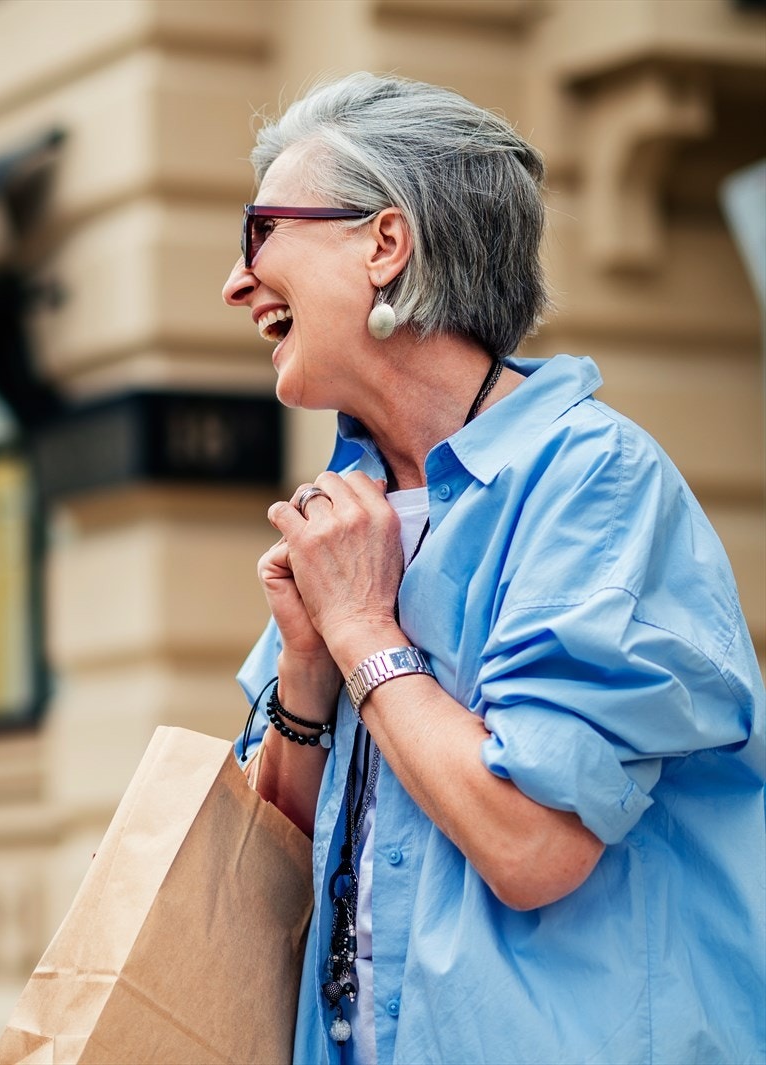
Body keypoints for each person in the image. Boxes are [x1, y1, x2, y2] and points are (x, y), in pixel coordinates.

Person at [223, 73, 764, 1063]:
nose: (234, 281)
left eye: (260, 234)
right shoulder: (348, 513)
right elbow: (272, 865)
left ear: (385, 244)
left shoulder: (593, 482)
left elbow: (531, 844)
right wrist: (306, 668)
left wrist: (362, 635)